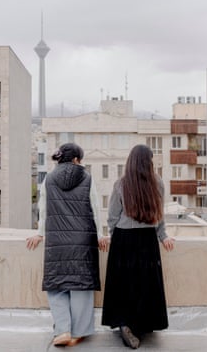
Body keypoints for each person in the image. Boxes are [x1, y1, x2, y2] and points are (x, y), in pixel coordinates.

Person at [26, 143, 105, 347]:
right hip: (83, 240)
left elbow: (43, 210)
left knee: (57, 286)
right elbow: (95, 208)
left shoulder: (49, 179)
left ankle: (62, 329)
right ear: (77, 160)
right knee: (81, 286)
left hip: (56, 240)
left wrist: (39, 233)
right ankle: (78, 332)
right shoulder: (87, 178)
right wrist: (101, 234)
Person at [101, 144, 174, 349]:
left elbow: (113, 216)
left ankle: (125, 323)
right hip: (147, 240)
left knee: (123, 284)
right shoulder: (157, 182)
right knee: (145, 283)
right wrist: (163, 236)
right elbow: (160, 214)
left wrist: (115, 238)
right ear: (148, 162)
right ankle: (141, 323)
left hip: (124, 239)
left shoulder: (121, 183)